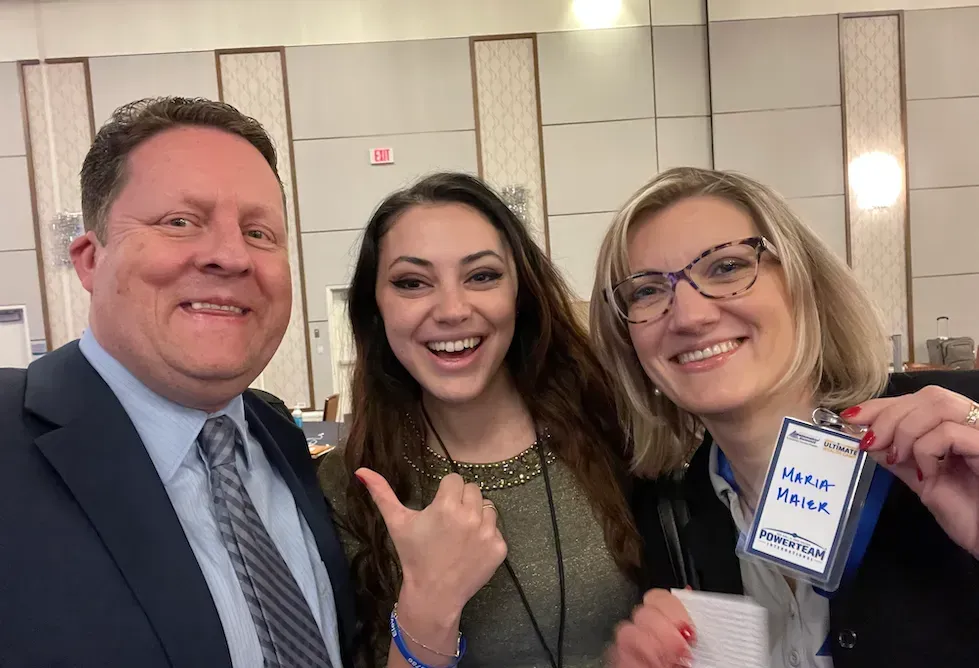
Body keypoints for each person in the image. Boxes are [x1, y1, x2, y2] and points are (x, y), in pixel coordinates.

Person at [0, 97, 356, 668]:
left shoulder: (283, 443)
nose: (231, 256)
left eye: (260, 232)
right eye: (180, 222)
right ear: (91, 260)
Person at [588, 167, 979, 668]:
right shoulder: (672, 517)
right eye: (645, 291)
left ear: (804, 282)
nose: (689, 316)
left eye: (726, 267)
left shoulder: (955, 442)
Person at [317, 172, 645, 667]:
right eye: (412, 283)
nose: (452, 309)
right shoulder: (351, 486)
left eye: (482, 276)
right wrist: (429, 604)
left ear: (522, 294)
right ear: (375, 309)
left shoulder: (616, 428)